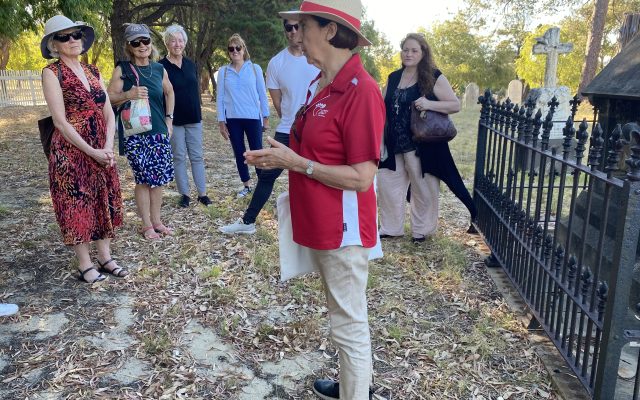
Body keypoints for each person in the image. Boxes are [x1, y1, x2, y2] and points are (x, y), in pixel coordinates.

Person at [245, 1, 384, 398]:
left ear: (329, 30)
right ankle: (349, 387)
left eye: (302, 25)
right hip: (320, 223)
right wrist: (280, 158)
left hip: (343, 230)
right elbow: (314, 152)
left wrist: (296, 162)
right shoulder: (319, 83)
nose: (296, 34)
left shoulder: (362, 91)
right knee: (341, 318)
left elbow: (361, 177)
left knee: (349, 324)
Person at [40, 15, 125, 283]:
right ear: (54, 44)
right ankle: (85, 263)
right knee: (76, 202)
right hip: (71, 150)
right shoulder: (52, 73)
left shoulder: (94, 71)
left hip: (101, 146)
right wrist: (92, 150)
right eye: (64, 36)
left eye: (76, 34)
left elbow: (108, 111)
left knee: (103, 198)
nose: (72, 40)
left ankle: (105, 256)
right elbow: (60, 122)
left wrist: (108, 144)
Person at [219, 17, 319, 234]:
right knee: (267, 175)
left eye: (297, 26)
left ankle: (317, 225)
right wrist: (293, 122)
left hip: (317, 130)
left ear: (304, 28)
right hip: (287, 130)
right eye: (288, 27)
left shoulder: (319, 57)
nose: (293, 31)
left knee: (314, 176)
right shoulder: (276, 63)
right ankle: (247, 222)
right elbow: (278, 102)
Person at [378, 33, 478, 243]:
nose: (409, 54)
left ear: (423, 53)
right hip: (393, 142)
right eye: (405, 49)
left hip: (420, 144)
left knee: (422, 188)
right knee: (388, 186)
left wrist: (430, 104)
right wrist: (379, 140)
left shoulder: (433, 76)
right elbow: (382, 108)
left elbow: (455, 105)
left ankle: (421, 230)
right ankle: (391, 227)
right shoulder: (393, 77)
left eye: (414, 50)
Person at [107, 23, 175, 240]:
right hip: (136, 133)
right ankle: (146, 225)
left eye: (145, 40)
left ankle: (157, 221)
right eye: (136, 42)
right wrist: (129, 93)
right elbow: (108, 98)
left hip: (158, 131)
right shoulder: (123, 70)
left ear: (150, 42)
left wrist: (169, 119)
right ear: (129, 46)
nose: (141, 45)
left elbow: (170, 92)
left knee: (159, 179)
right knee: (143, 179)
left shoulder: (159, 69)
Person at [159, 24, 212, 208]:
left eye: (180, 40)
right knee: (179, 157)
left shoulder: (190, 64)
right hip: (174, 120)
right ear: (167, 43)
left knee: (197, 156)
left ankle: (202, 194)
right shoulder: (161, 66)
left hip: (194, 118)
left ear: (185, 43)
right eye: (173, 40)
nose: (177, 44)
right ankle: (185, 194)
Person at [216, 33, 270, 198]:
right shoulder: (224, 71)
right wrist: (221, 121)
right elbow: (219, 98)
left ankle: (262, 186)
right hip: (233, 119)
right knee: (239, 152)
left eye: (238, 47)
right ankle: (246, 185)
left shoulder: (254, 68)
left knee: (257, 152)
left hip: (253, 117)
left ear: (243, 49)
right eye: (231, 49)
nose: (235, 51)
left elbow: (262, 93)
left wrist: (266, 116)